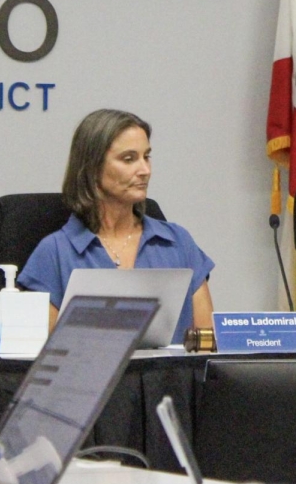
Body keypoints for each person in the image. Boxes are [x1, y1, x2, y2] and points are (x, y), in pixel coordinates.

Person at [18, 109, 214, 343]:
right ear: (92, 168)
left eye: (147, 157)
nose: (145, 170)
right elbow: (40, 357)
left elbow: (207, 347)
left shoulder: (178, 242)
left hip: (170, 379)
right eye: (129, 159)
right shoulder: (55, 252)